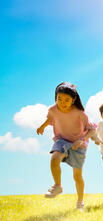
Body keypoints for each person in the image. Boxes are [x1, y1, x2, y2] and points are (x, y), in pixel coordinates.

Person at [36, 82, 97, 211]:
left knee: (77, 176)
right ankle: (58, 186)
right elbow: (50, 118)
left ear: (73, 100)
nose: (62, 103)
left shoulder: (80, 113)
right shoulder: (53, 109)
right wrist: (43, 126)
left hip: (78, 143)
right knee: (54, 159)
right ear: (55, 98)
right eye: (59, 99)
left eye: (67, 100)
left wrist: (83, 139)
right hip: (62, 139)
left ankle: (80, 202)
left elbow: (92, 130)